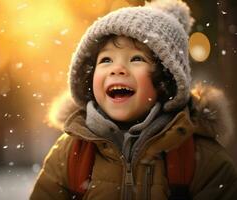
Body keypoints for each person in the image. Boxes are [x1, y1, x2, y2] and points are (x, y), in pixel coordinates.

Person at [30, 0, 237, 199]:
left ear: (166, 80)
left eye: (136, 58)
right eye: (106, 60)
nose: (117, 69)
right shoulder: (71, 153)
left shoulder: (200, 158)